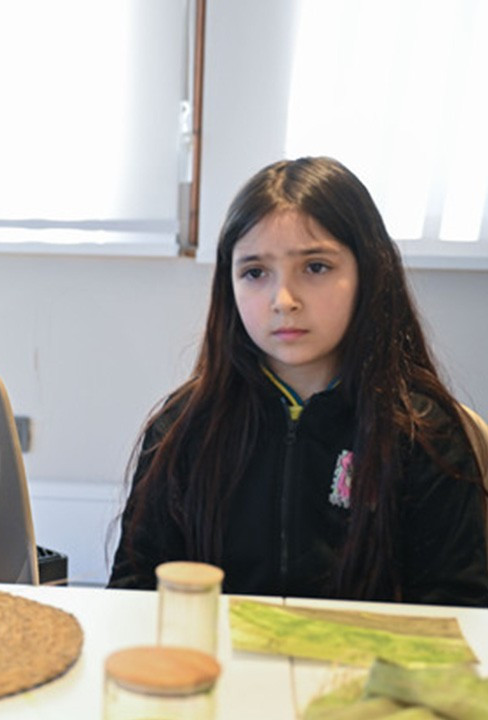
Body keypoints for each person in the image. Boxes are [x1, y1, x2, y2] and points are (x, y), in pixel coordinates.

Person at [109, 156, 488, 605]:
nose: (283, 300)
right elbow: (133, 598)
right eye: (255, 273)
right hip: (220, 670)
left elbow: (461, 611)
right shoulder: (182, 428)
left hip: (366, 672)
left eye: (315, 267)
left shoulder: (423, 431)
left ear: (369, 273)